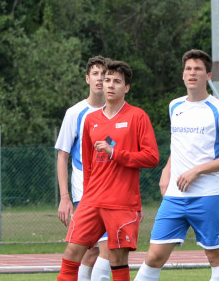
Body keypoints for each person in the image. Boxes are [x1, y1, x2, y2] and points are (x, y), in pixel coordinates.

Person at [133, 50, 219, 281]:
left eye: (198, 69)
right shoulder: (175, 106)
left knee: (216, 257)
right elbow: (179, 145)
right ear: (183, 75)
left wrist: (197, 170)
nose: (192, 73)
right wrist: (166, 171)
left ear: (208, 76)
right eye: (188, 69)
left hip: (210, 195)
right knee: (154, 256)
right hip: (175, 196)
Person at [57, 60, 159, 281]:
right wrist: (86, 195)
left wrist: (116, 153)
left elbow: (152, 157)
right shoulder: (90, 120)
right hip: (91, 200)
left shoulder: (137, 116)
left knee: (116, 259)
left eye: (117, 81)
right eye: (107, 80)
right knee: (71, 253)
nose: (111, 85)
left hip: (121, 202)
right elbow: (88, 165)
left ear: (126, 87)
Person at [54, 56, 112, 281]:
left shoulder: (116, 112)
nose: (100, 79)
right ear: (88, 78)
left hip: (111, 191)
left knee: (94, 251)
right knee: (104, 249)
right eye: (95, 74)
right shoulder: (75, 112)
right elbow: (62, 156)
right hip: (84, 192)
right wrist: (64, 197)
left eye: (104, 75)